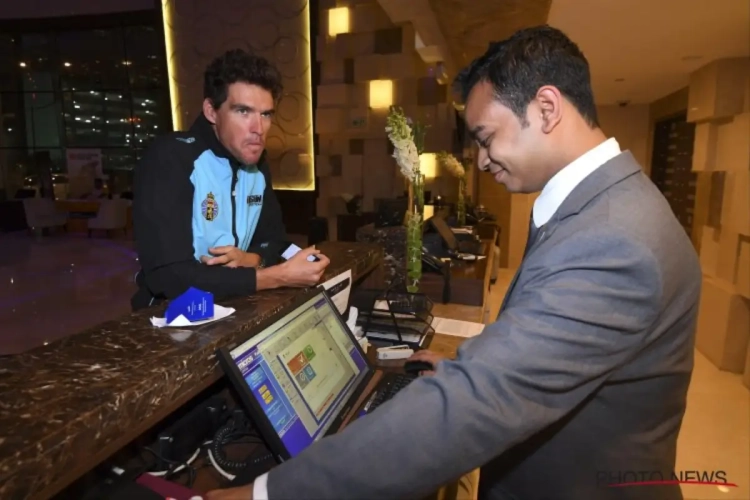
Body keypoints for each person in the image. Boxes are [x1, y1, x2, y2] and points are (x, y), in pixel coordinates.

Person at [206, 26, 701, 500]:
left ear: (546, 108)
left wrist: (269, 492)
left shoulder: (612, 239)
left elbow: (474, 406)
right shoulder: (604, 209)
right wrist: (478, 365)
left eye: (486, 137)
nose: (482, 160)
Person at [131, 49, 329, 310]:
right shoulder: (170, 158)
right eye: (243, 111)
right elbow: (169, 277)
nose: (258, 129)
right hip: (170, 318)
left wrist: (252, 259)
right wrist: (275, 276)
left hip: (236, 308)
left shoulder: (257, 165)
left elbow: (275, 242)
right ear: (211, 111)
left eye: (266, 114)